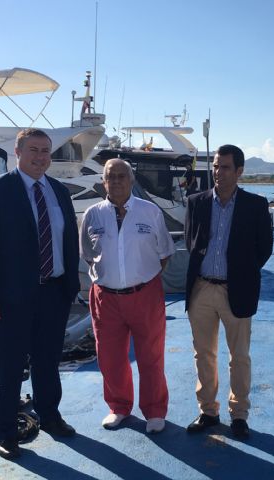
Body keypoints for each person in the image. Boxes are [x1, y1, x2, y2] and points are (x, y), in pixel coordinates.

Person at [0, 128, 81, 460]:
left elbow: (66, 240)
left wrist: (69, 287)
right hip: (12, 298)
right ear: (17, 153)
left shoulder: (59, 191)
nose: (40, 156)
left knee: (48, 361)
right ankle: (6, 431)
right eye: (33, 149)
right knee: (10, 365)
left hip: (54, 293)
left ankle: (49, 416)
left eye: (46, 151)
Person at [184, 144, 273, 439]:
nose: (217, 172)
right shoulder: (196, 202)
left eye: (224, 167)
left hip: (236, 289)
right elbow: (191, 243)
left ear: (239, 171)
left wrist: (240, 273)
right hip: (202, 288)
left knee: (240, 356)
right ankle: (208, 411)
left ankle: (239, 414)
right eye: (215, 166)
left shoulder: (256, 205)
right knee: (204, 354)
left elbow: (264, 249)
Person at [80, 158, 175, 433]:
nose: (117, 181)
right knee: (109, 357)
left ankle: (155, 410)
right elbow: (88, 254)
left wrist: (139, 277)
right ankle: (119, 407)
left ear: (131, 181)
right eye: (111, 176)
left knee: (151, 356)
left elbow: (164, 253)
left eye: (122, 176)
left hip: (145, 294)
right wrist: (114, 278)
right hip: (105, 298)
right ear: (103, 182)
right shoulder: (92, 215)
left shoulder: (150, 212)